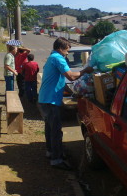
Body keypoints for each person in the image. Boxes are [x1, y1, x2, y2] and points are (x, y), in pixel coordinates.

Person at [38, 37, 93, 170]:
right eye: (67, 51)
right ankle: (56, 160)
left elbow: (60, 79)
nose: (67, 53)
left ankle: (51, 152)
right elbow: (71, 76)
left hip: (45, 98)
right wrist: (86, 70)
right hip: (50, 100)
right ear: (60, 48)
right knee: (56, 131)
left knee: (50, 128)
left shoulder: (52, 57)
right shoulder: (58, 58)